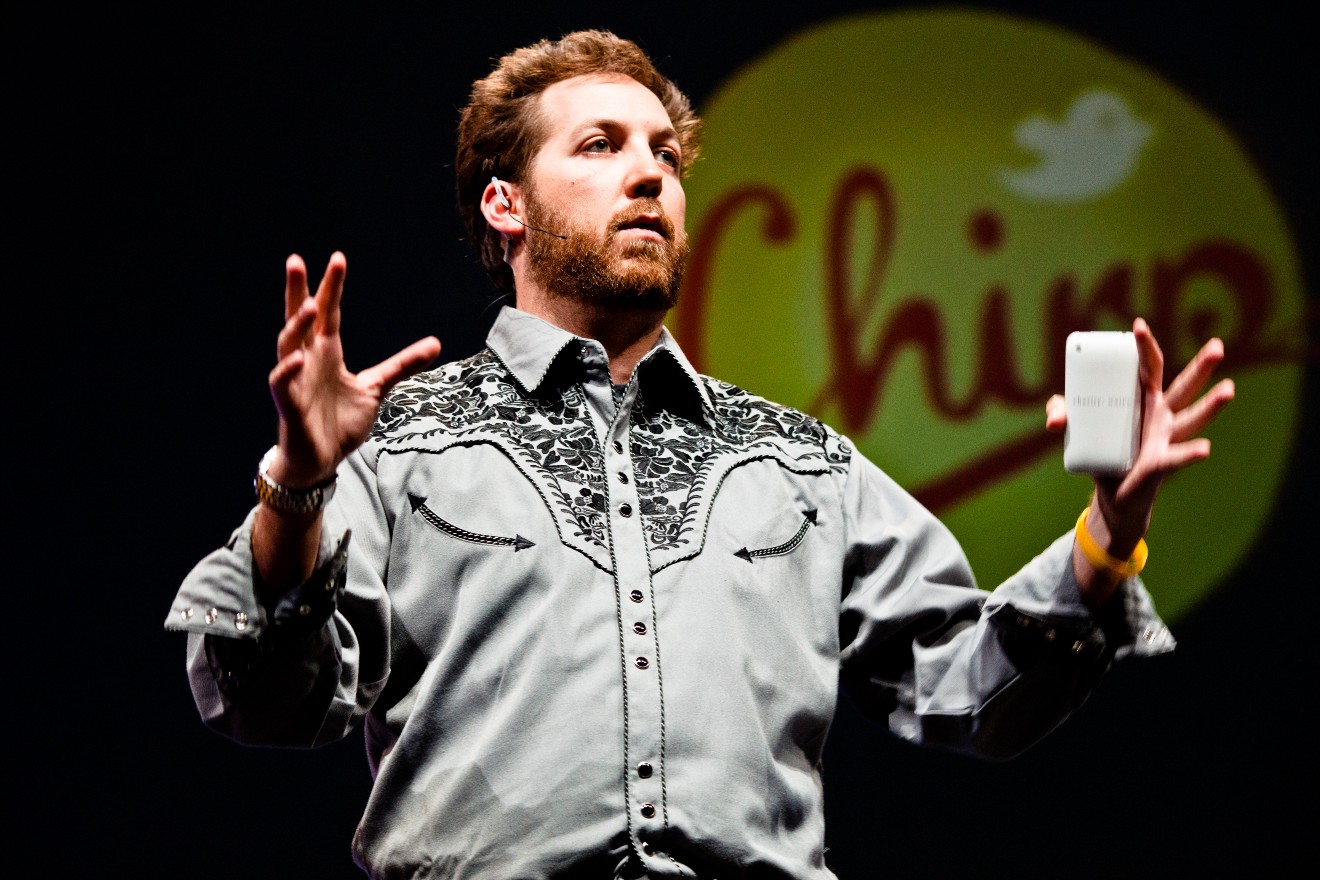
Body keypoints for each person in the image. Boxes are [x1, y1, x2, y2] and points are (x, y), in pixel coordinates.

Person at [165, 29, 1235, 880]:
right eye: (601, 147)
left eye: (664, 156)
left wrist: (1109, 539)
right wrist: (298, 482)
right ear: (506, 204)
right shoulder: (400, 437)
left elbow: (971, 690)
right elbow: (263, 698)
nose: (649, 176)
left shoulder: (800, 461)